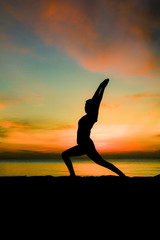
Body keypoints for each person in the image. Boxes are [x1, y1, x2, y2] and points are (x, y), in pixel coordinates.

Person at [62, 79, 126, 177]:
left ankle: (122, 175)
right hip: (84, 144)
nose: (85, 107)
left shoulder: (92, 116)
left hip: (86, 145)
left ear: (91, 108)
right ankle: (72, 175)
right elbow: (94, 100)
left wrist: (102, 88)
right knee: (66, 155)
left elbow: (97, 101)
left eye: (86, 105)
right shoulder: (88, 115)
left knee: (101, 162)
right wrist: (99, 86)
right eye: (85, 105)